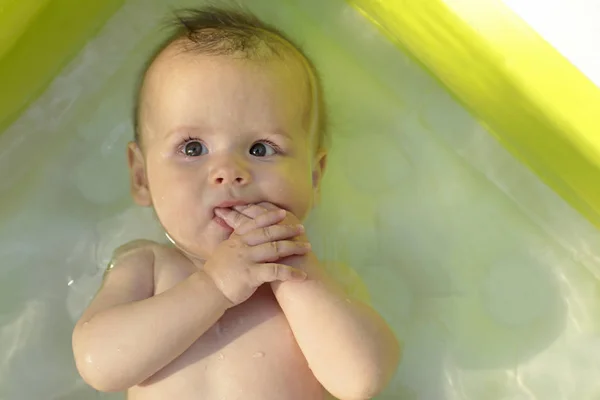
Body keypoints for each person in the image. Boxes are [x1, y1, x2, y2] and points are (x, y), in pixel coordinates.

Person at [72, 6, 400, 400]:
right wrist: (215, 286)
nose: (229, 172)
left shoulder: (322, 282)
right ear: (141, 177)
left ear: (314, 177)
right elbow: (99, 364)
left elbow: (361, 380)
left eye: (261, 148)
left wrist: (294, 270)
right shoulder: (147, 266)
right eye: (193, 148)